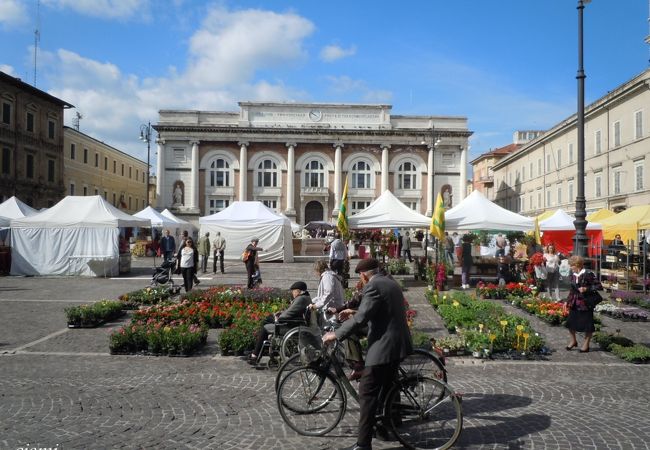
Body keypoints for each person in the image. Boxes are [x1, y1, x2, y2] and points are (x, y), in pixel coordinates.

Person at [322, 258, 413, 450]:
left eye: (360, 277)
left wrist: (336, 334)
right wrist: (354, 312)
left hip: (385, 346)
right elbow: (377, 310)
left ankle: (363, 444)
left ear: (363, 275)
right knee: (386, 390)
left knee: (367, 391)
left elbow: (362, 318)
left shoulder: (373, 286)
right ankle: (384, 426)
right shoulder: (389, 281)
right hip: (399, 343)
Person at [247, 281, 311, 364]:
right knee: (266, 321)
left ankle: (255, 355)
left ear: (298, 291)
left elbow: (288, 314)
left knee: (265, 327)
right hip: (293, 323)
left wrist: (277, 317)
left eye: (293, 291)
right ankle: (256, 352)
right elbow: (291, 312)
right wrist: (280, 313)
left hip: (290, 326)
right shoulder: (305, 297)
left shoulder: (301, 299)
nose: (292, 293)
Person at [565, 256, 601, 353]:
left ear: (577, 265)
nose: (570, 267)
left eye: (571, 265)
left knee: (587, 324)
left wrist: (586, 289)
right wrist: (567, 301)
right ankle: (573, 341)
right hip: (574, 302)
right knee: (570, 323)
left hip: (586, 303)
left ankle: (586, 344)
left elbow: (598, 286)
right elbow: (572, 289)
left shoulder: (588, 274)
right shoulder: (573, 275)